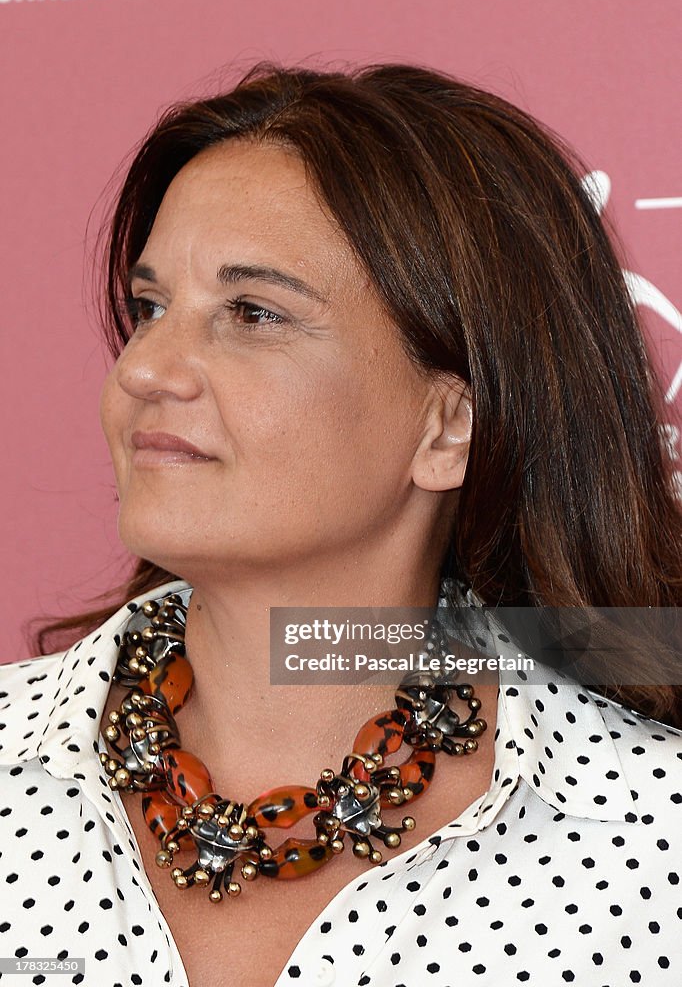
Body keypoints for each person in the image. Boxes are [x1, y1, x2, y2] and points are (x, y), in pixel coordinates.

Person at [1, 63, 680, 987]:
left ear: (446, 427)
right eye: (152, 307)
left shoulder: (649, 832)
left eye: (251, 313)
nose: (147, 368)